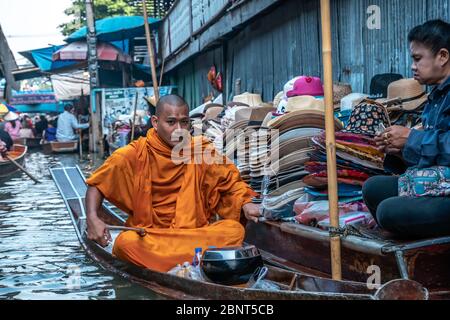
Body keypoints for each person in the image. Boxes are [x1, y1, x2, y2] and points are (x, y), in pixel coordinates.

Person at [85, 94, 261, 272]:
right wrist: (92, 218)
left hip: (193, 235)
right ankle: (197, 261)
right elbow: (97, 185)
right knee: (125, 243)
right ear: (155, 122)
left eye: (184, 122)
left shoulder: (200, 151)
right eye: (171, 122)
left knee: (234, 230)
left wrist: (245, 203)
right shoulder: (134, 153)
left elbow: (230, 183)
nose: (179, 129)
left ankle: (167, 263)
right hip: (151, 236)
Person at [363, 20, 450, 238]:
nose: (412, 66)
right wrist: (397, 148)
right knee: (373, 188)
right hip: (437, 183)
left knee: (388, 211)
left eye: (417, 59)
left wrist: (411, 139)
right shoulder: (436, 97)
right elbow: (432, 156)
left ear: (442, 56)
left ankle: (426, 260)